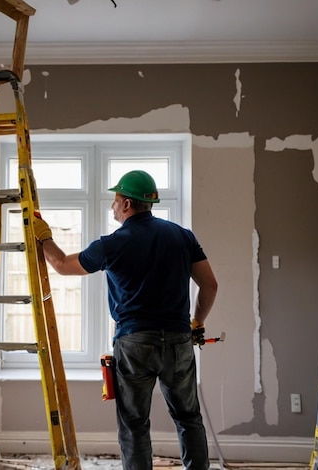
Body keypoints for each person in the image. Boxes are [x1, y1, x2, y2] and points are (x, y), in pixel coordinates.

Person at [32, 170, 218, 470]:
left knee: (134, 423)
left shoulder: (112, 244)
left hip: (133, 344)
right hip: (178, 340)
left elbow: (62, 264)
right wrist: (197, 323)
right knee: (188, 417)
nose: (112, 207)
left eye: (115, 201)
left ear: (128, 204)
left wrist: (44, 237)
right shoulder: (182, 237)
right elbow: (210, 285)